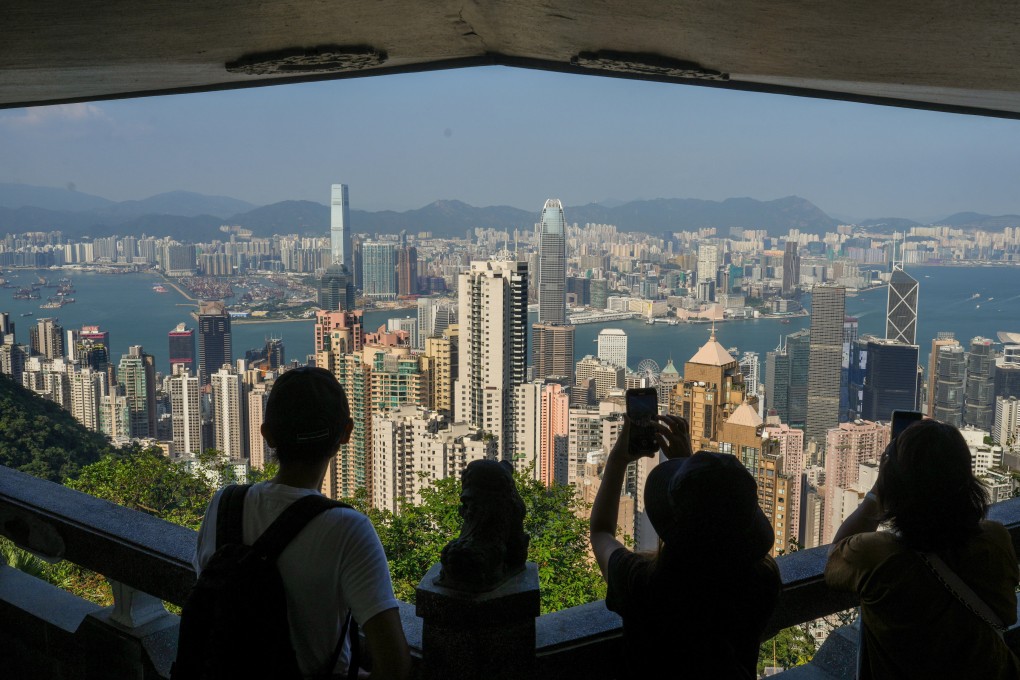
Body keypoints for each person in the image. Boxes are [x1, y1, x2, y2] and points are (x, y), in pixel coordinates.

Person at [192, 366, 411, 680]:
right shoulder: (349, 530)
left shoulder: (224, 503)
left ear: (266, 435)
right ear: (347, 433)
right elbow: (395, 665)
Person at [825, 419, 1020, 679]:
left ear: (893, 483)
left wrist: (876, 495)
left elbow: (834, 557)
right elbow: (1006, 615)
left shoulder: (877, 555)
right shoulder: (995, 539)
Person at [589, 415, 781, 679]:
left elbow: (600, 531)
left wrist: (618, 458)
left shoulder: (643, 584)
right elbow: (712, 532)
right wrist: (688, 467)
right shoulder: (762, 583)